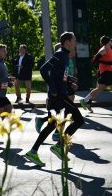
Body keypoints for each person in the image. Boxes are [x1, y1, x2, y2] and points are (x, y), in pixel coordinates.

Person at [25, 32, 84, 167]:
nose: (75, 43)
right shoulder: (60, 54)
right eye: (74, 40)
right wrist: (53, 88)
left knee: (52, 124)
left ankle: (32, 152)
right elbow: (43, 70)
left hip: (59, 94)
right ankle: (59, 146)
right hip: (58, 96)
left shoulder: (63, 55)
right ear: (68, 42)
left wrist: (69, 81)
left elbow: (59, 75)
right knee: (79, 120)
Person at [81, 35, 112, 113]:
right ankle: (85, 101)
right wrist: (108, 63)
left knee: (99, 89)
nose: (111, 41)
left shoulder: (108, 49)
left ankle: (86, 101)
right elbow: (95, 60)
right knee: (99, 89)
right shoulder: (104, 49)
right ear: (107, 42)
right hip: (106, 72)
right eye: (110, 40)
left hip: (108, 72)